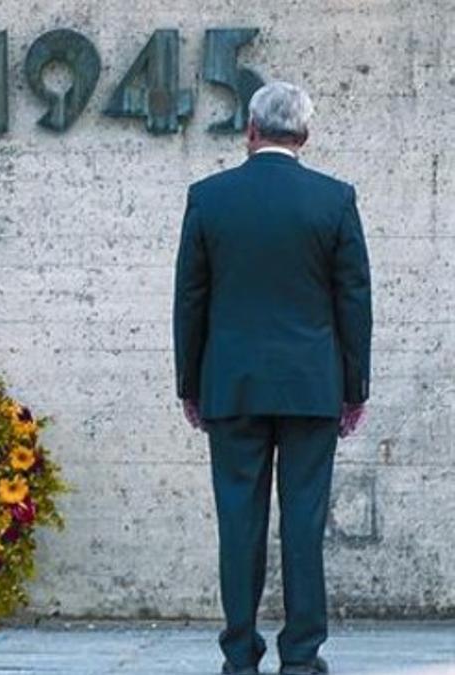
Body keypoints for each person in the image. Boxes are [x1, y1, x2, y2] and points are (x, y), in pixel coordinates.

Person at [174, 81, 372, 675]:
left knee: (239, 520)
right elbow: (353, 300)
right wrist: (353, 388)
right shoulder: (334, 200)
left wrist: (190, 383)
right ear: (304, 136)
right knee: (305, 522)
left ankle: (239, 655)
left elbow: (190, 298)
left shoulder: (209, 198)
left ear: (250, 131)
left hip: (231, 385)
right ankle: (303, 656)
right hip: (312, 385)